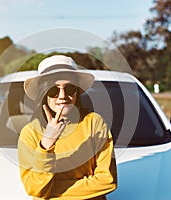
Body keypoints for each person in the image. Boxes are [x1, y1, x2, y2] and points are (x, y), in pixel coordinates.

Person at [18, 55, 117, 200]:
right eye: (53, 90)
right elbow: (34, 189)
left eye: (69, 88)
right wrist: (47, 143)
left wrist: (51, 191)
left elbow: (107, 181)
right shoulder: (30, 133)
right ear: (44, 93)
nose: (62, 96)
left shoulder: (94, 123)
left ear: (77, 91)